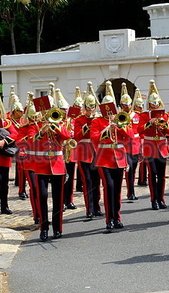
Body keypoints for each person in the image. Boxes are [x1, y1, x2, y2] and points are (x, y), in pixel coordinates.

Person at [28, 96, 71, 241]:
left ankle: (57, 228)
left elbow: (67, 135)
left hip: (57, 164)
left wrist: (56, 127)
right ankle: (44, 228)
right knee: (43, 196)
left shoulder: (60, 122)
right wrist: (42, 131)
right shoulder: (36, 124)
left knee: (58, 198)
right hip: (41, 165)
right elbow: (30, 139)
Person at [90, 81, 131, 231]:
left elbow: (129, 137)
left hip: (119, 158)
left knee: (118, 189)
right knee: (109, 187)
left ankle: (117, 217)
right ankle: (109, 220)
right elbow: (94, 138)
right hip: (104, 159)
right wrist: (107, 128)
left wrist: (119, 126)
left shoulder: (121, 118)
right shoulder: (97, 121)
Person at [138, 80, 169, 210]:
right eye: (152, 103)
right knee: (152, 174)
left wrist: (164, 125)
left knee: (161, 175)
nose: (154, 106)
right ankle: (154, 200)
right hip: (150, 146)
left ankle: (161, 198)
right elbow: (139, 129)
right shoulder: (145, 115)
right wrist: (149, 123)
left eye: (156, 103)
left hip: (162, 146)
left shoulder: (165, 115)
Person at [74, 82, 102, 218]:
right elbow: (76, 137)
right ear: (84, 107)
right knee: (87, 182)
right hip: (84, 153)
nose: (90, 109)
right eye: (88, 106)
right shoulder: (79, 120)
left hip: (96, 153)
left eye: (93, 106)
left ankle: (97, 206)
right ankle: (89, 209)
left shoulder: (98, 119)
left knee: (97, 182)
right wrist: (84, 128)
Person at [16, 92, 41, 224]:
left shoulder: (41, 125)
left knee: (41, 190)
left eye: (36, 117)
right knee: (34, 188)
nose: (35, 120)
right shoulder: (24, 128)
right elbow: (19, 142)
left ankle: (41, 213)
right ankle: (37, 215)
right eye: (33, 118)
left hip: (41, 161)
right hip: (29, 162)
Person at [119, 83, 141, 201]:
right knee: (129, 168)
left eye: (127, 104)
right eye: (124, 105)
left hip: (135, 145)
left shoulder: (135, 115)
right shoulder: (119, 116)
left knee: (134, 169)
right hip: (125, 146)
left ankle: (132, 190)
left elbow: (137, 131)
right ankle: (130, 192)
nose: (126, 107)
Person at [7, 88, 28, 200]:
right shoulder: (10, 122)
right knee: (20, 169)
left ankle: (24, 189)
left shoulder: (23, 120)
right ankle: (21, 190)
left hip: (25, 146)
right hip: (15, 146)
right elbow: (13, 134)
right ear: (14, 111)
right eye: (19, 111)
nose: (21, 113)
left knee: (26, 169)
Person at [0, 96, 18, 215]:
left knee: (4, 184)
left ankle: (4, 206)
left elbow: (15, 133)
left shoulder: (6, 122)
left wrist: (4, 141)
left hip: (3, 158)